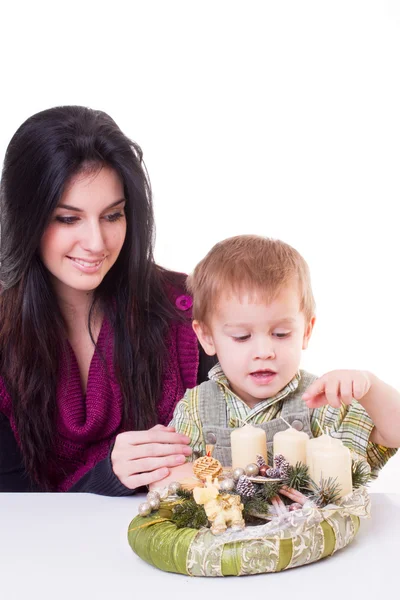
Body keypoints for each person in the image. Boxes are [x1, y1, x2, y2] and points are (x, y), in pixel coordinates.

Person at [0, 105, 216, 494]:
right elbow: (13, 508)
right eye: (68, 219)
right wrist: (107, 477)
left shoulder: (188, 309)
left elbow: (251, 435)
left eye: (113, 215)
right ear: (24, 218)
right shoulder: (5, 333)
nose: (97, 243)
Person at [167, 235, 399, 483]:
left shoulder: (321, 403)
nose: (264, 351)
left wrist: (370, 387)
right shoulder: (194, 409)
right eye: (242, 336)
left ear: (306, 332)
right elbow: (167, 478)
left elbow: (394, 434)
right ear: (207, 337)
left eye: (281, 334)